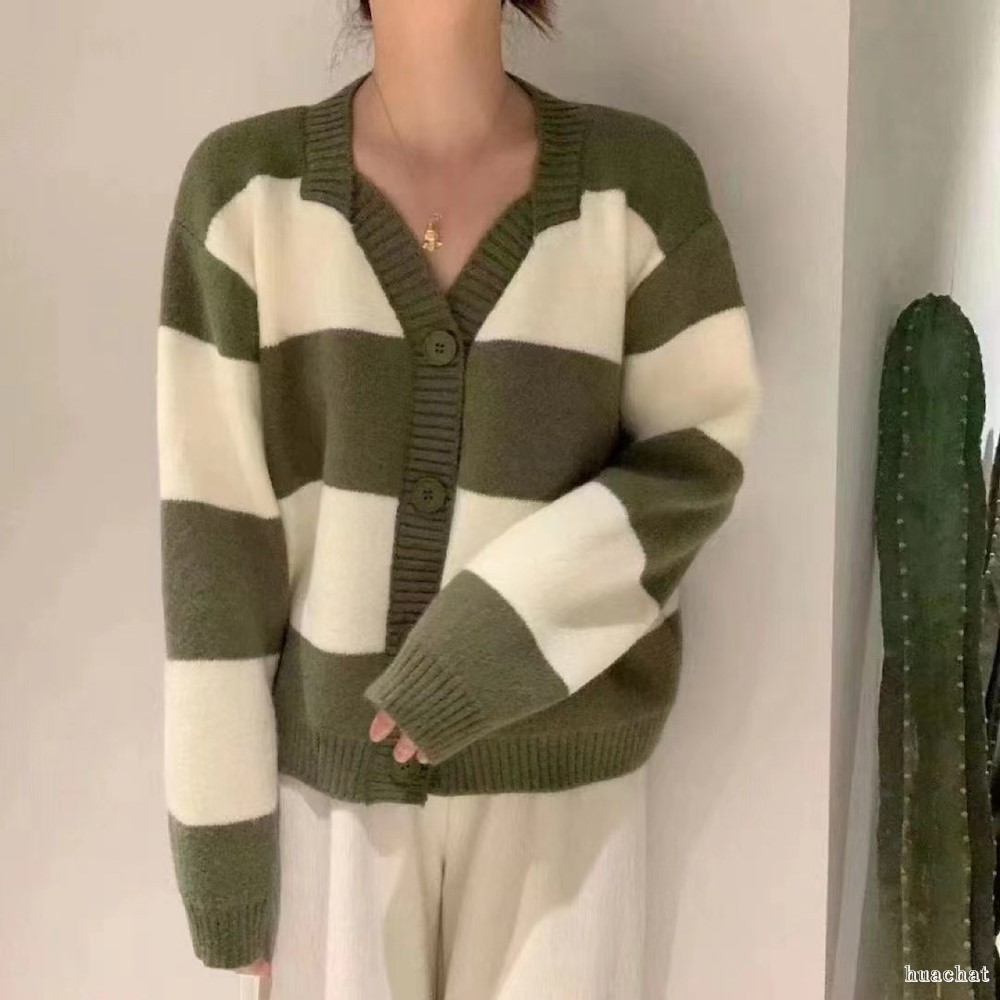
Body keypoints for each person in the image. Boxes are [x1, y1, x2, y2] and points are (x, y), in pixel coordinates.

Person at [155, 0, 764, 996]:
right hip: (330, 809)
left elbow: (696, 456)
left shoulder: (635, 190)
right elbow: (213, 551)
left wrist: (501, 632)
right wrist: (220, 846)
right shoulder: (246, 198)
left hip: (562, 801)